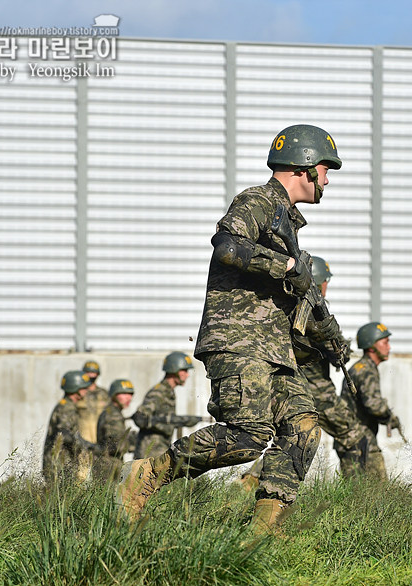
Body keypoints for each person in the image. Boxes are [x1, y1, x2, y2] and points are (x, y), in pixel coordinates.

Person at [116, 124, 344, 533]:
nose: (328, 180)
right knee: (248, 435)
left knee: (304, 427)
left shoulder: (288, 226)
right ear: (306, 168)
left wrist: (332, 338)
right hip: (239, 340)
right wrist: (286, 267)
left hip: (274, 351)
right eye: (326, 169)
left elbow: (304, 300)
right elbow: (227, 247)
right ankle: (148, 474)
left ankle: (261, 533)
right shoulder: (257, 200)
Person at [236, 256, 369, 492]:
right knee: (354, 434)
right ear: (318, 282)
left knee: (289, 436)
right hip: (316, 391)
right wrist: (340, 344)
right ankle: (357, 492)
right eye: (326, 280)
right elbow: (336, 354)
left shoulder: (287, 305)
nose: (327, 285)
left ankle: (251, 482)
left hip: (286, 384)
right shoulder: (312, 310)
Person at [334, 321, 401, 479]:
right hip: (360, 443)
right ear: (371, 346)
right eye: (385, 342)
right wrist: (390, 418)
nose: (389, 347)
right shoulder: (367, 370)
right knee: (375, 493)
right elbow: (374, 405)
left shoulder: (361, 367)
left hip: (354, 441)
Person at [131, 352, 203, 459]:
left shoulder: (169, 392)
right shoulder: (158, 392)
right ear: (175, 370)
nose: (187, 375)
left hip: (159, 449)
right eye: (185, 371)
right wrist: (168, 422)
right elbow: (140, 418)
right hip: (150, 452)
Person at [42, 370, 102, 484]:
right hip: (58, 464)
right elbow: (64, 434)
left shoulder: (69, 406)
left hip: (63, 463)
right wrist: (84, 445)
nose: (87, 391)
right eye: (84, 388)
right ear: (75, 389)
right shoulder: (66, 408)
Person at [95, 378, 137, 483]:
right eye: (124, 394)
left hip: (111, 465)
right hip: (109, 467)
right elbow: (116, 446)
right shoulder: (113, 415)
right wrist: (134, 442)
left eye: (130, 394)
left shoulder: (113, 412)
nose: (129, 398)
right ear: (114, 395)